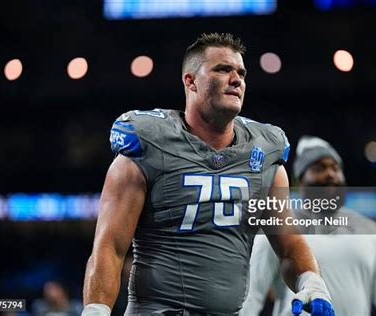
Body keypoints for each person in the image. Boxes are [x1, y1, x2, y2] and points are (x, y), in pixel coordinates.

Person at [82, 33, 334, 315]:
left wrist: (311, 280)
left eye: (241, 72)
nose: (236, 79)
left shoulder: (265, 155)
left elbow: (290, 245)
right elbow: (110, 248)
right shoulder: (148, 143)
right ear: (190, 81)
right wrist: (96, 309)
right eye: (223, 69)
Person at [240, 136, 376, 316]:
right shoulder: (278, 227)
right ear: (299, 181)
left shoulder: (369, 230)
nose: (330, 174)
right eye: (319, 168)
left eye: (335, 168)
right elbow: (251, 294)